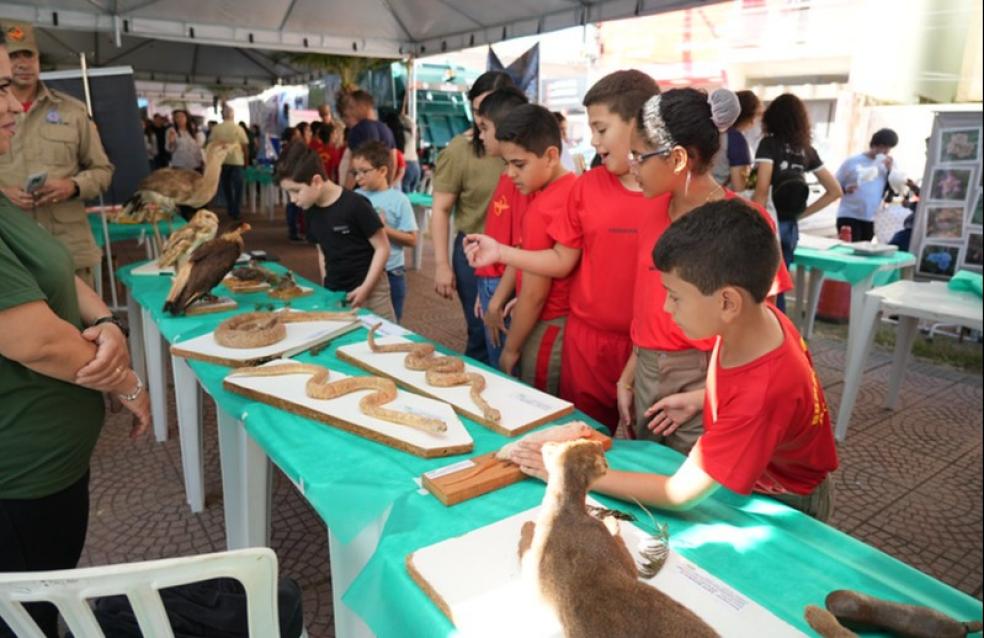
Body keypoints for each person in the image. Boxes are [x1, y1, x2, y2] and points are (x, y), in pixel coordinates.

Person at [509, 200, 838, 521]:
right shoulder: (757, 321)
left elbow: (678, 494)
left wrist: (575, 474)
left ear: (727, 302)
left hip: (785, 502)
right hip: (757, 476)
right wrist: (701, 399)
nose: (667, 308)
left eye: (675, 296)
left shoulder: (761, 393)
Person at [0, 32, 151, 638]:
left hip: (46, 469)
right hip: (20, 479)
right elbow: (36, 340)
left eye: (17, 73)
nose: (12, 101)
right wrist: (128, 379)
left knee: (44, 602)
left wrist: (106, 323)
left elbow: (56, 269)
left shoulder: (72, 112)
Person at [464, 70, 661, 431]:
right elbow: (559, 260)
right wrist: (503, 255)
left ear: (639, 123)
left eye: (601, 129)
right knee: (578, 433)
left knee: (637, 441)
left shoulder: (667, 192)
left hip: (645, 349)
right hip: (582, 342)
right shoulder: (584, 188)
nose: (593, 140)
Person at [615, 88, 791, 453]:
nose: (631, 167)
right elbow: (647, 306)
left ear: (678, 158)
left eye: (638, 156)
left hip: (708, 376)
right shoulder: (649, 210)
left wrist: (701, 396)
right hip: (647, 367)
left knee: (696, 489)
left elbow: (765, 330)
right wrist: (630, 375)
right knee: (648, 471)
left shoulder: (746, 224)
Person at [0, 21, 114, 290]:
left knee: (81, 328)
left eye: (30, 55)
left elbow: (103, 170)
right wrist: (3, 193)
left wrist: (72, 186)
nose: (23, 63)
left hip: (69, 248)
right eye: (15, 55)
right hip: (12, 252)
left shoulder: (72, 111)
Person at [431, 71, 515, 365]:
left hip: (518, 256)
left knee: (513, 336)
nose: (481, 121)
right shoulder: (460, 149)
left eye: (489, 113)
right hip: (473, 255)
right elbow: (440, 209)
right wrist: (442, 265)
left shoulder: (524, 151)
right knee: (482, 333)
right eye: (477, 112)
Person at [493, 104, 575, 395]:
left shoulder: (543, 207)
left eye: (519, 164)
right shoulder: (573, 187)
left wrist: (511, 349)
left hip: (548, 325)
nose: (510, 174)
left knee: (538, 403)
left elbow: (534, 293)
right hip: (563, 324)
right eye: (507, 163)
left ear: (551, 156)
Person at [277, 143, 395, 321]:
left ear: (316, 181)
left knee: (385, 338)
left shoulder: (356, 204)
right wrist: (326, 285)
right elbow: (322, 251)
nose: (293, 200)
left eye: (296, 191)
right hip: (336, 291)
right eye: (288, 193)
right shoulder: (309, 210)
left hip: (372, 291)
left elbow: (383, 248)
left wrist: (365, 289)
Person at [753, 93, 841, 313]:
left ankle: (771, 335)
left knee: (760, 283)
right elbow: (835, 191)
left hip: (769, 223)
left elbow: (762, 190)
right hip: (790, 226)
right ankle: (781, 333)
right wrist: (800, 215)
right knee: (780, 284)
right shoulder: (807, 151)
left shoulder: (769, 144)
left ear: (772, 118)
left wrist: (751, 220)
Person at [473, 86, 531, 369]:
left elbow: (519, 247)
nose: (480, 136)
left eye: (485, 128)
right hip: (491, 282)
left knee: (503, 369)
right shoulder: (507, 174)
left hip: (503, 287)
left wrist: (495, 300)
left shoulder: (520, 180)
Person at [352, 140, 417, 323]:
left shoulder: (399, 200)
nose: (358, 177)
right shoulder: (355, 197)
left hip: (391, 272)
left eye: (364, 171)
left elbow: (412, 239)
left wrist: (382, 229)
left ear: (382, 171)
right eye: (355, 172)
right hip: (361, 271)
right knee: (360, 321)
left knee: (391, 325)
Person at [835, 128, 899, 242]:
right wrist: (845, 189)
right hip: (849, 214)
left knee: (863, 251)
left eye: (889, 148)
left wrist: (890, 171)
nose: (885, 151)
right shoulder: (853, 161)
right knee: (848, 250)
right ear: (874, 144)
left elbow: (895, 189)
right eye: (883, 146)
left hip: (871, 217)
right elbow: (834, 185)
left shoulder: (889, 165)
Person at [336, 90, 396, 190]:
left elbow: (353, 167)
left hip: (361, 191)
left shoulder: (357, 130)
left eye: (350, 107)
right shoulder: (386, 129)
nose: (347, 111)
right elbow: (393, 162)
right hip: (381, 187)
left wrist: (346, 194)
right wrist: (387, 186)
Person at [710, 90, 760, 190]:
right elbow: (739, 187)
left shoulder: (713, 131)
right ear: (750, 116)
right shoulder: (736, 140)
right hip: (719, 199)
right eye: (759, 114)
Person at [207, 104, 250, 220]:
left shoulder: (216, 129)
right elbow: (245, 146)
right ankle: (235, 209)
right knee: (238, 187)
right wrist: (246, 161)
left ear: (222, 115)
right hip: (237, 161)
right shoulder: (238, 128)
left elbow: (210, 145)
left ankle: (230, 207)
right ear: (233, 115)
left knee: (226, 186)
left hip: (221, 160)